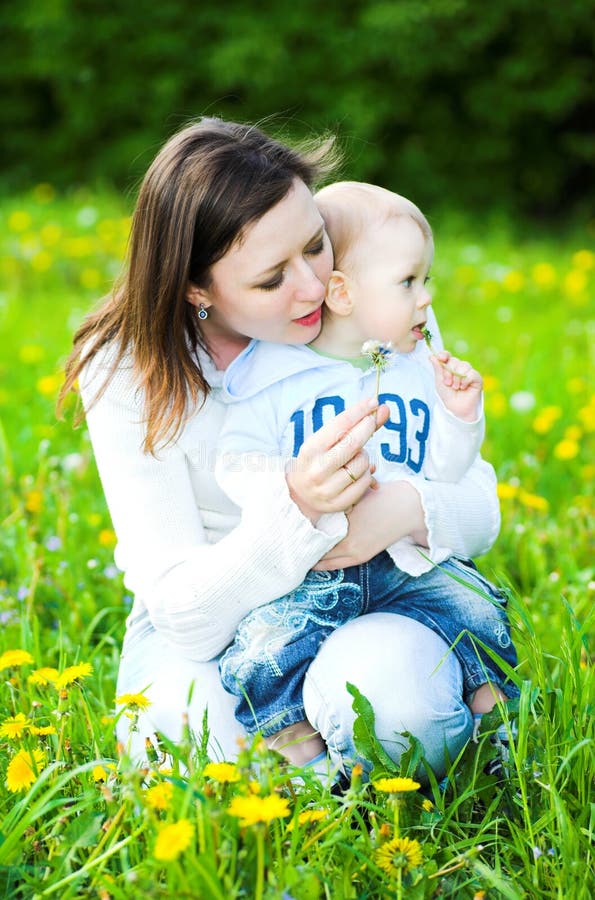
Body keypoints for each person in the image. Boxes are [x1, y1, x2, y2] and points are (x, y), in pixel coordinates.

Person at [59, 117, 504, 780]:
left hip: (379, 584)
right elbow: (184, 614)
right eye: (271, 280)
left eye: (316, 244)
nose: (313, 287)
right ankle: (309, 767)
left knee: (399, 715)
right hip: (220, 610)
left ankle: (365, 754)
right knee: (193, 747)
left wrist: (402, 510)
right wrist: (297, 510)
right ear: (194, 288)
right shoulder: (128, 370)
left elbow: (477, 503)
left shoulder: (361, 303)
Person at [216, 182, 518, 776]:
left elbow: (451, 473)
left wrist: (462, 419)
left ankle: (499, 733)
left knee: (477, 607)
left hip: (408, 563)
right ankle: (303, 760)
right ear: (342, 293)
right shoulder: (274, 375)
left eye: (426, 280)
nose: (427, 299)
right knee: (264, 648)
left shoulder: (414, 367)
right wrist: (290, 492)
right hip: (314, 573)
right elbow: (236, 459)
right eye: (409, 282)